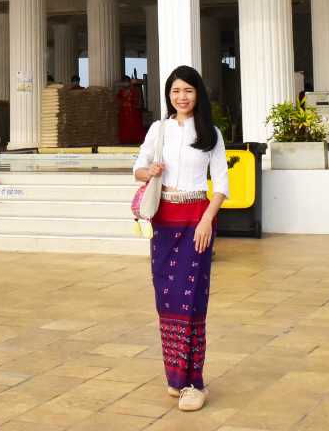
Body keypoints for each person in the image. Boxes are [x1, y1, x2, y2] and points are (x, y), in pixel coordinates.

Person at [132, 65, 229, 412]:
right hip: (164, 220)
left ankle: (194, 383)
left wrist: (206, 221)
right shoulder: (159, 130)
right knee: (167, 301)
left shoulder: (210, 133)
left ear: (197, 94)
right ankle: (175, 377)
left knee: (190, 303)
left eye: (188, 90)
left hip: (196, 221)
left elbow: (222, 186)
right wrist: (150, 171)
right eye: (175, 91)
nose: (181, 97)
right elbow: (137, 169)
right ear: (168, 95)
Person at [117, 77, 144, 144]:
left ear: (129, 82)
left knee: (134, 125)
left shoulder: (134, 90)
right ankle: (125, 140)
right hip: (124, 111)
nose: (126, 83)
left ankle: (135, 139)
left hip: (133, 111)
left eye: (127, 81)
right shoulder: (121, 91)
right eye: (124, 82)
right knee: (125, 126)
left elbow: (138, 100)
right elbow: (118, 100)